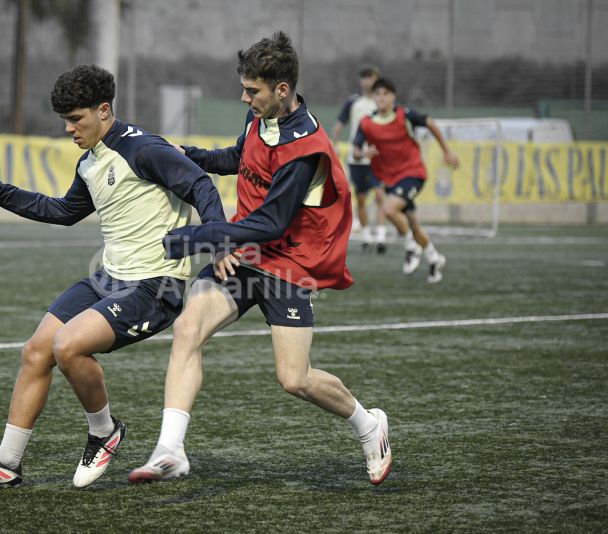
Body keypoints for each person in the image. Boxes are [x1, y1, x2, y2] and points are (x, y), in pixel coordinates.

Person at [129, 32, 392, 486]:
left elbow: (272, 223)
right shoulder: (260, 118)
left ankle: (369, 425)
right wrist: (188, 156)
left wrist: (199, 236)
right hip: (245, 253)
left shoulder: (305, 150)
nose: (243, 97)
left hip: (290, 263)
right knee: (188, 328)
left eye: (252, 90)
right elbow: (239, 157)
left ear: (282, 90)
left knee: (295, 379)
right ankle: (170, 450)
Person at [0, 65, 225, 489]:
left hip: (155, 286)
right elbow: (64, 212)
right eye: (64, 119)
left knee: (69, 347)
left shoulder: (145, 149)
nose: (68, 128)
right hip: (108, 278)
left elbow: (201, 186)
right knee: (36, 350)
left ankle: (104, 431)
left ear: (105, 111)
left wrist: (219, 240)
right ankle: (8, 464)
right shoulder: (90, 162)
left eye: (76, 118)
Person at [352, 77, 459, 283]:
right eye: (378, 94)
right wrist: (364, 152)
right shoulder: (367, 123)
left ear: (393, 97)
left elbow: (430, 123)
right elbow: (356, 150)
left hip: (413, 173)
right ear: (373, 97)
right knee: (414, 225)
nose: (381, 98)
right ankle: (434, 258)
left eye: (386, 94)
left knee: (388, 210)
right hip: (391, 179)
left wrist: (447, 151)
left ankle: (411, 246)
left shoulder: (405, 115)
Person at [332, 66, 387, 253]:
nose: (366, 81)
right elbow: (339, 124)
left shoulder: (382, 102)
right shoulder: (353, 102)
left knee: (381, 196)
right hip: (356, 159)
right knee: (361, 198)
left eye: (370, 77)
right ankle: (365, 235)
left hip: (377, 159)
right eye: (363, 77)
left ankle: (380, 237)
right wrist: (335, 144)